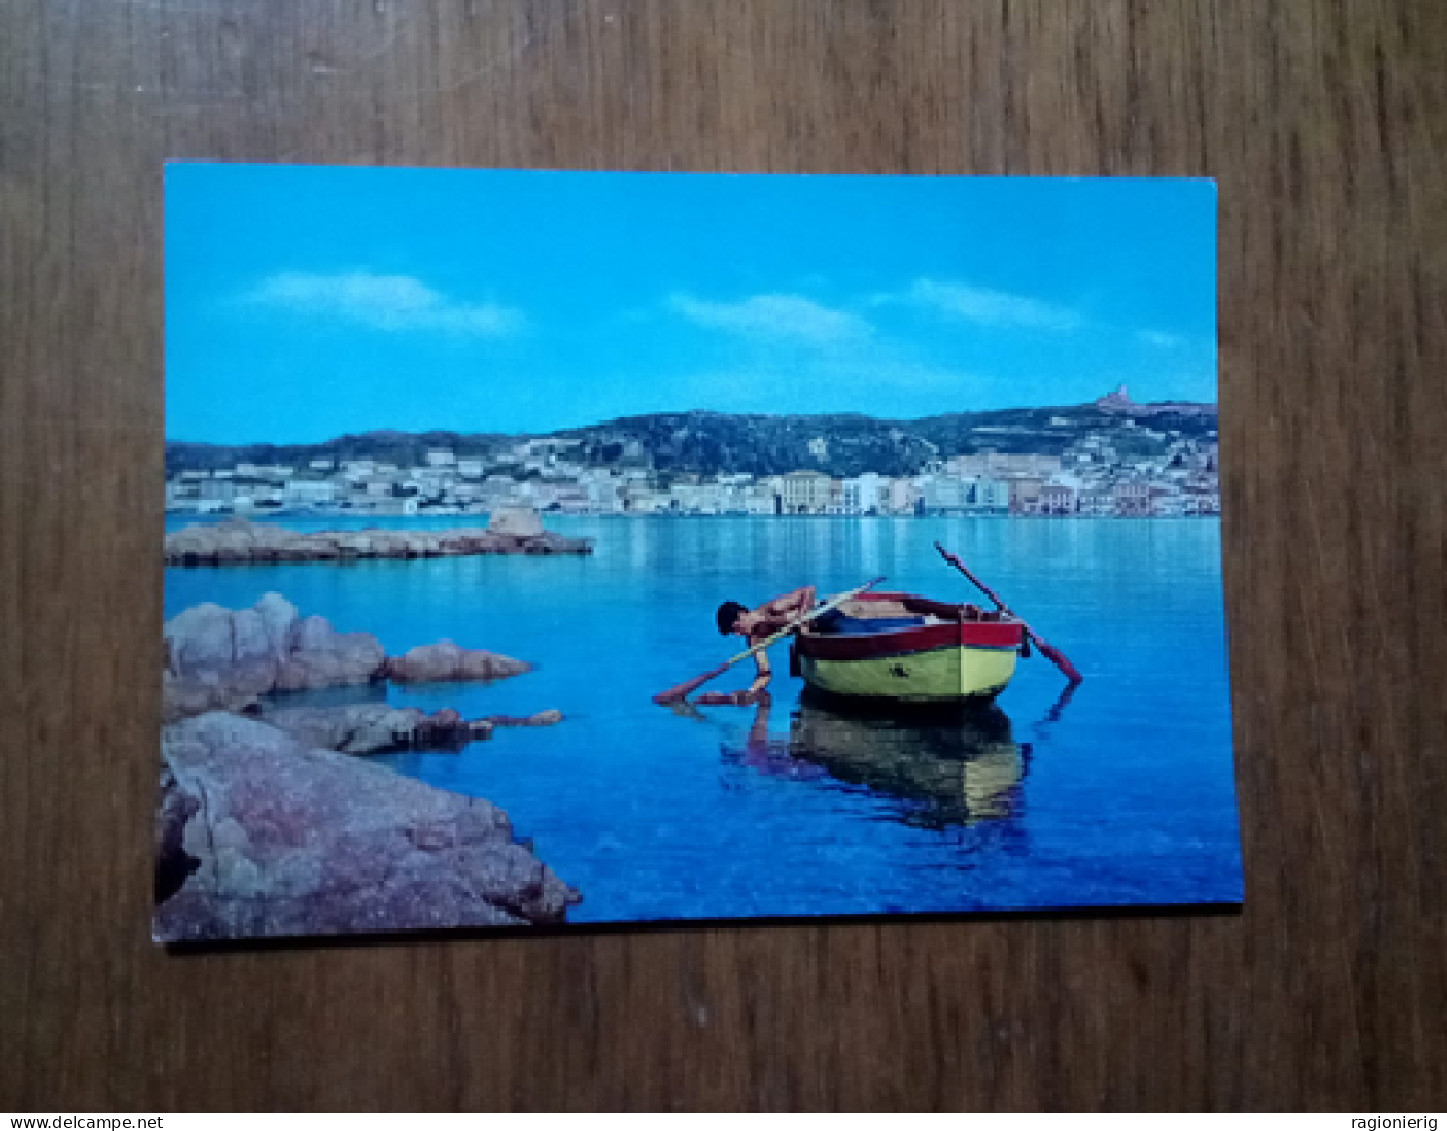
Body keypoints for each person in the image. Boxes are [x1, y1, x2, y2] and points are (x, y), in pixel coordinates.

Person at [713, 585, 817, 702]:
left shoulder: (773, 609)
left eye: (735, 629)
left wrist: (801, 616)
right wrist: (751, 692)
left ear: (742, 615)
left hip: (825, 617)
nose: (737, 634)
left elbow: (809, 590)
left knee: (803, 633)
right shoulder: (754, 640)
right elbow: (764, 673)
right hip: (815, 635)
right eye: (733, 632)